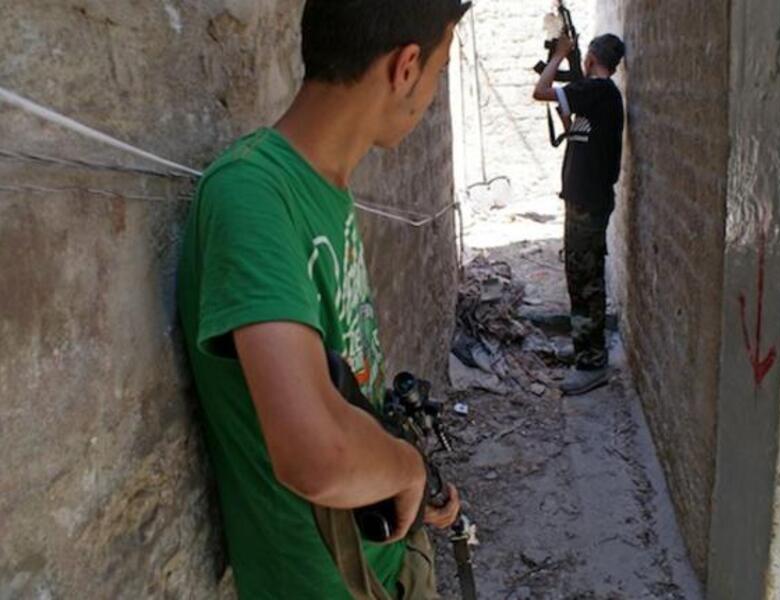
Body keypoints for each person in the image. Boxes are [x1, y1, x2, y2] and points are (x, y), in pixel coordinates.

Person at [177, 1, 470, 598]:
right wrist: (408, 471)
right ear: (405, 67)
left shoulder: (322, 187)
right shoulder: (252, 195)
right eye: (440, 70)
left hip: (379, 562)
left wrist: (412, 484)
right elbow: (318, 456)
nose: (433, 91)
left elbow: (346, 385)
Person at [533, 32, 626, 396]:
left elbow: (540, 91)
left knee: (587, 279)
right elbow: (574, 130)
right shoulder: (595, 95)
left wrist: (558, 55)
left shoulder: (601, 91)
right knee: (578, 275)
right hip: (582, 200)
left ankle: (593, 363)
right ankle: (584, 343)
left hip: (589, 202)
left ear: (589, 60)